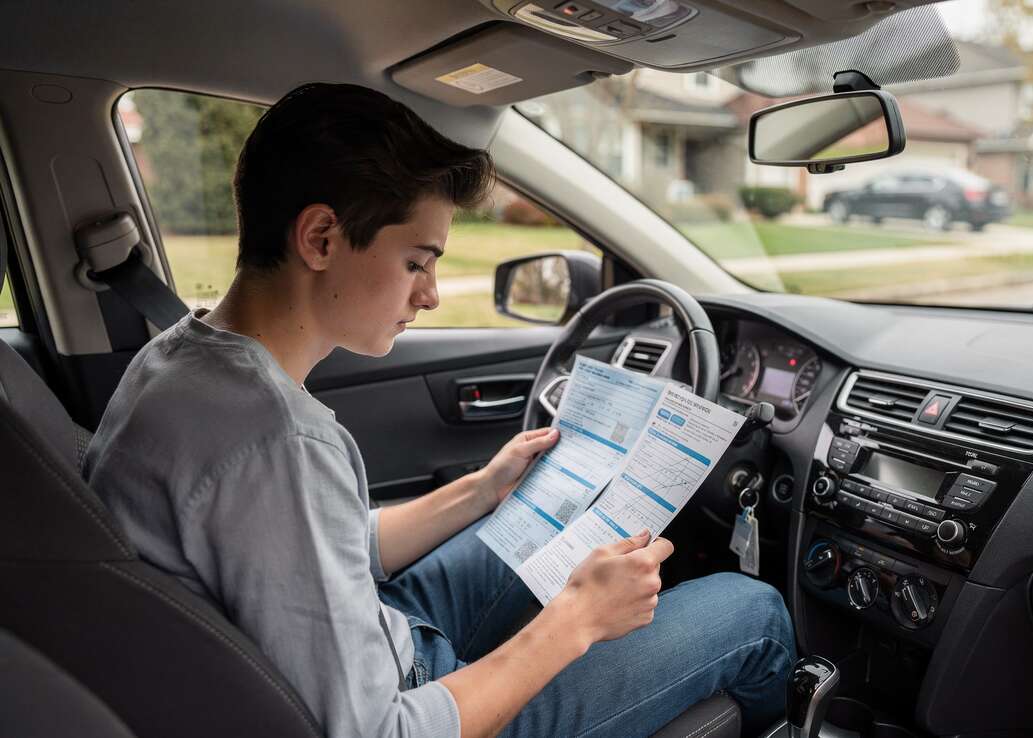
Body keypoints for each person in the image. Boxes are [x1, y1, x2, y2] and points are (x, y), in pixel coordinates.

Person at [83, 82, 795, 738]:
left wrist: (480, 490)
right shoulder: (278, 440)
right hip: (414, 707)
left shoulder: (177, 359)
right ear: (321, 238)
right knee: (751, 610)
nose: (428, 295)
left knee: (557, 524)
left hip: (381, 633)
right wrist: (578, 618)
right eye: (417, 262)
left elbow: (307, 549)